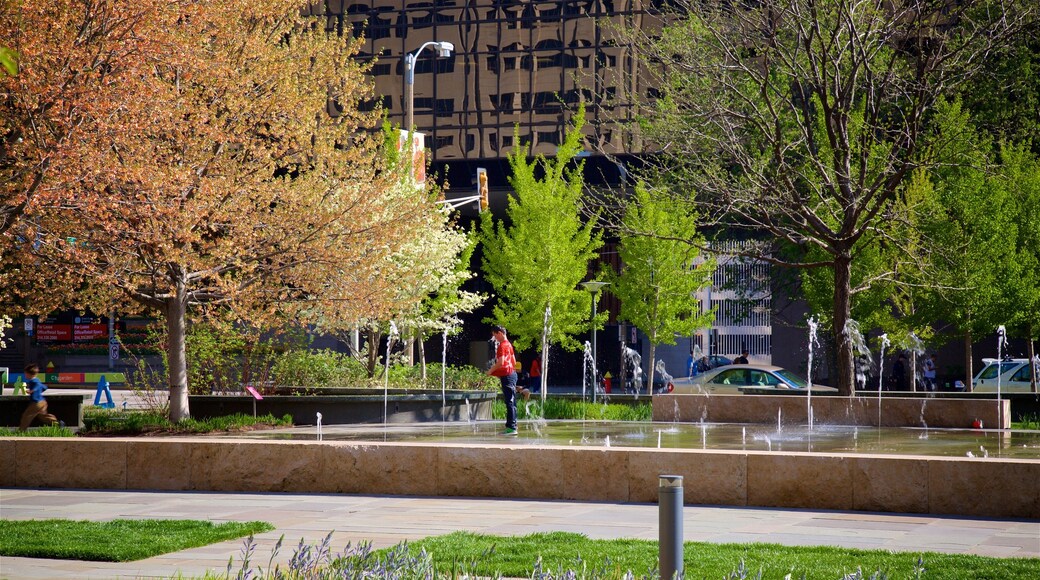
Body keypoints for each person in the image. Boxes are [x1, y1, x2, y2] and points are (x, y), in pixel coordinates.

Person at [486, 325, 518, 435]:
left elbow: (501, 362)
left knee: (509, 401)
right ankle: (513, 425)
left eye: (495, 335)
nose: (495, 338)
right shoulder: (509, 345)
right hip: (512, 374)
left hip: (508, 376)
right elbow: (513, 362)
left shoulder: (502, 346)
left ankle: (511, 428)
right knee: (512, 401)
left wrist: (491, 371)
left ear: (500, 333)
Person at [19, 364, 60, 431]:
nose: (25, 375)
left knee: (26, 416)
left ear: (29, 374)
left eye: (25, 373)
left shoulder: (33, 381)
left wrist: (32, 390)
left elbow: (37, 386)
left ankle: (21, 431)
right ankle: (57, 423)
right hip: (43, 402)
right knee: (43, 416)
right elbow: (44, 387)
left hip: (36, 403)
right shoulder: (37, 380)